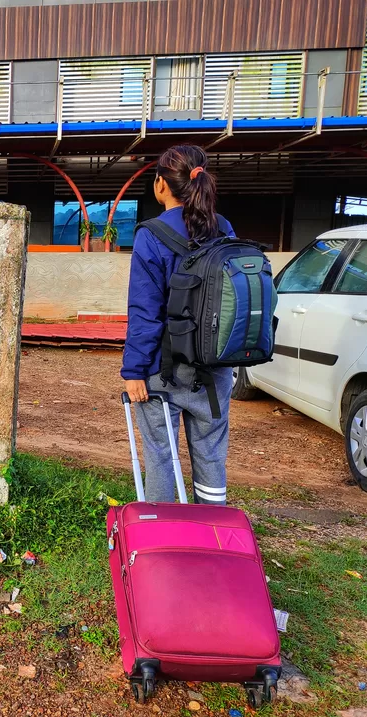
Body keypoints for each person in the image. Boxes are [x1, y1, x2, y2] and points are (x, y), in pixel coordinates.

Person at [122, 144, 234, 506]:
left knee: (160, 457)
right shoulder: (225, 230)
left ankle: (164, 540)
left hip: (162, 371)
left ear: (161, 185)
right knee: (212, 457)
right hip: (215, 371)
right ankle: (212, 534)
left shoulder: (151, 235)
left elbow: (145, 311)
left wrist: (134, 370)